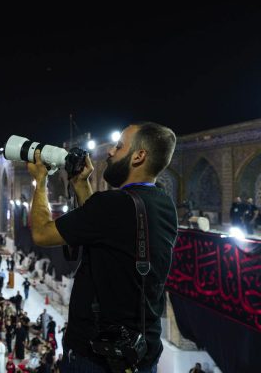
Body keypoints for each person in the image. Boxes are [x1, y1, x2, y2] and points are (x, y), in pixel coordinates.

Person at [28, 122, 178, 373]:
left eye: (119, 147)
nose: (110, 152)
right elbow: (104, 228)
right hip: (139, 354)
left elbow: (42, 233)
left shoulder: (113, 205)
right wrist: (80, 183)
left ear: (139, 156)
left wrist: (40, 180)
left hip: (96, 357)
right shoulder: (162, 203)